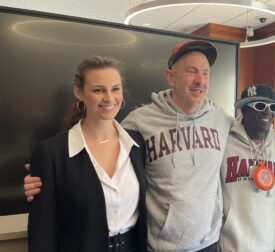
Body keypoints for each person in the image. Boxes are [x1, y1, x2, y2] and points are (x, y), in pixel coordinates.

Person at [25, 40, 233, 252]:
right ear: (170, 77)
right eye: (191, 71)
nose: (200, 80)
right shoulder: (138, 126)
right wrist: (43, 179)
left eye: (205, 73)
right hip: (159, 246)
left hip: (206, 242)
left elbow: (252, 141)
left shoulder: (221, 119)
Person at [27, 56, 147, 252]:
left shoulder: (137, 144)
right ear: (79, 92)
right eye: (98, 90)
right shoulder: (51, 154)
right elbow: (43, 232)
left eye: (115, 89)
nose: (109, 98)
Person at [218, 84, 275, 251]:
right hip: (230, 245)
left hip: (268, 244)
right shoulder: (223, 139)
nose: (267, 112)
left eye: (273, 107)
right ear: (244, 110)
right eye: (260, 106)